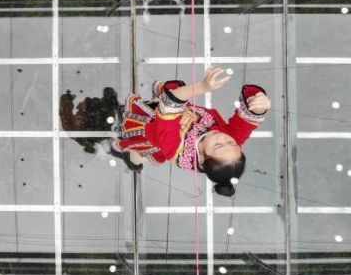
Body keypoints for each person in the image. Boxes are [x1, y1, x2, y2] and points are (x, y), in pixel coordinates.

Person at [111, 67, 271, 197]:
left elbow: (170, 106)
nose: (222, 137)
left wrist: (201, 87)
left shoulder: (176, 150)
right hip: (173, 116)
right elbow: (249, 120)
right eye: (231, 142)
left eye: (218, 146)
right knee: (174, 95)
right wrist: (259, 104)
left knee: (139, 152)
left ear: (202, 157)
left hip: (155, 129)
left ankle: (131, 160)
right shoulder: (231, 143)